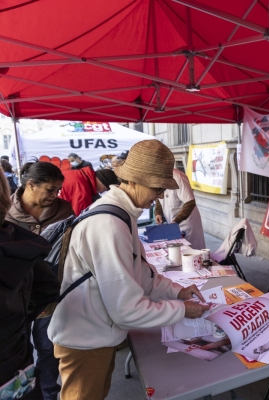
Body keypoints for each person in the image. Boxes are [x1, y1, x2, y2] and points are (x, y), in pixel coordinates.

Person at [48, 140, 209, 400]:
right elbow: (127, 310)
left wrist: (178, 292)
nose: (159, 196)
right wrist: (182, 310)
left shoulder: (121, 214)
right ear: (133, 181)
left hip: (96, 332)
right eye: (157, 188)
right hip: (85, 338)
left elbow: (141, 273)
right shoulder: (109, 224)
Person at [5, 161, 74, 400]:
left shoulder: (64, 209)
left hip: (51, 291)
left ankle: (49, 393)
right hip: (14, 295)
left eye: (58, 190)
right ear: (30, 184)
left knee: (46, 347)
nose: (55, 195)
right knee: (21, 350)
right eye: (50, 189)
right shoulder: (7, 212)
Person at [154, 169, 206, 250]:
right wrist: (158, 213)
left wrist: (176, 221)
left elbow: (190, 203)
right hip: (172, 224)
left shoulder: (178, 177)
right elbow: (159, 196)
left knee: (192, 252)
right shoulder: (156, 176)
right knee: (176, 252)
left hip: (186, 224)